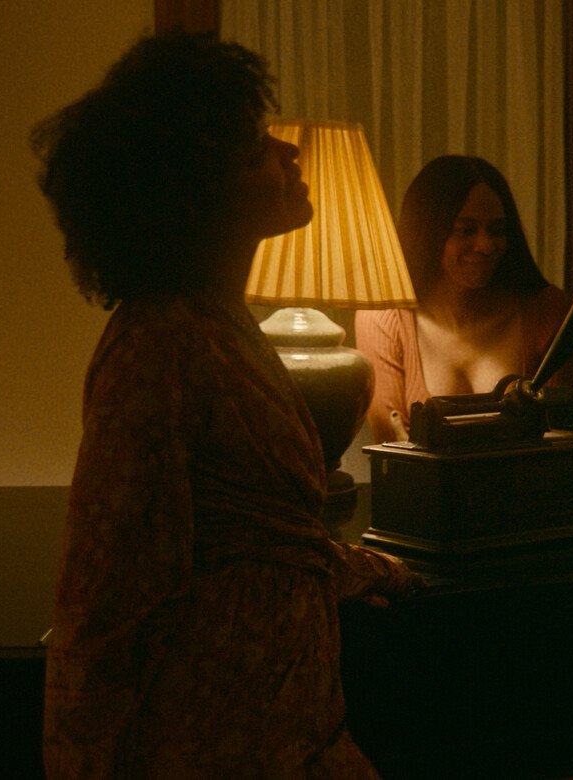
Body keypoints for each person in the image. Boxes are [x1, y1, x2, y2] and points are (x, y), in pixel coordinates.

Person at [33, 33, 418, 777]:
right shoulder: (159, 344)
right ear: (198, 197)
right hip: (212, 737)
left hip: (287, 722)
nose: (289, 153)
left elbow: (254, 537)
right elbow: (103, 595)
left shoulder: (221, 322)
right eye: (255, 152)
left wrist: (363, 568)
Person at [355, 155, 570, 442]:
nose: (486, 246)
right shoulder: (383, 317)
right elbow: (390, 449)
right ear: (429, 231)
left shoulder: (547, 310)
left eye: (497, 230)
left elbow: (565, 435)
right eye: (466, 230)